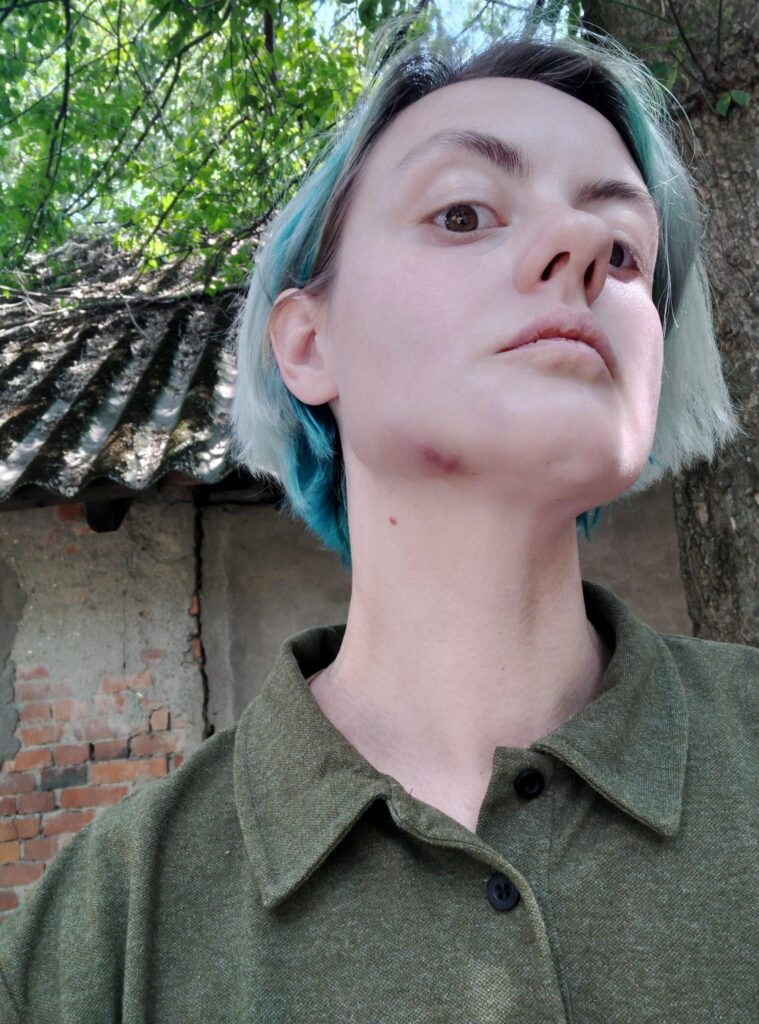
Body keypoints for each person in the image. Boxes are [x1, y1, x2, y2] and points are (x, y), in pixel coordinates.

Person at [1, 19, 756, 1024]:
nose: (582, 248)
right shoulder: (93, 938)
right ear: (307, 344)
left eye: (624, 248)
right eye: (463, 213)